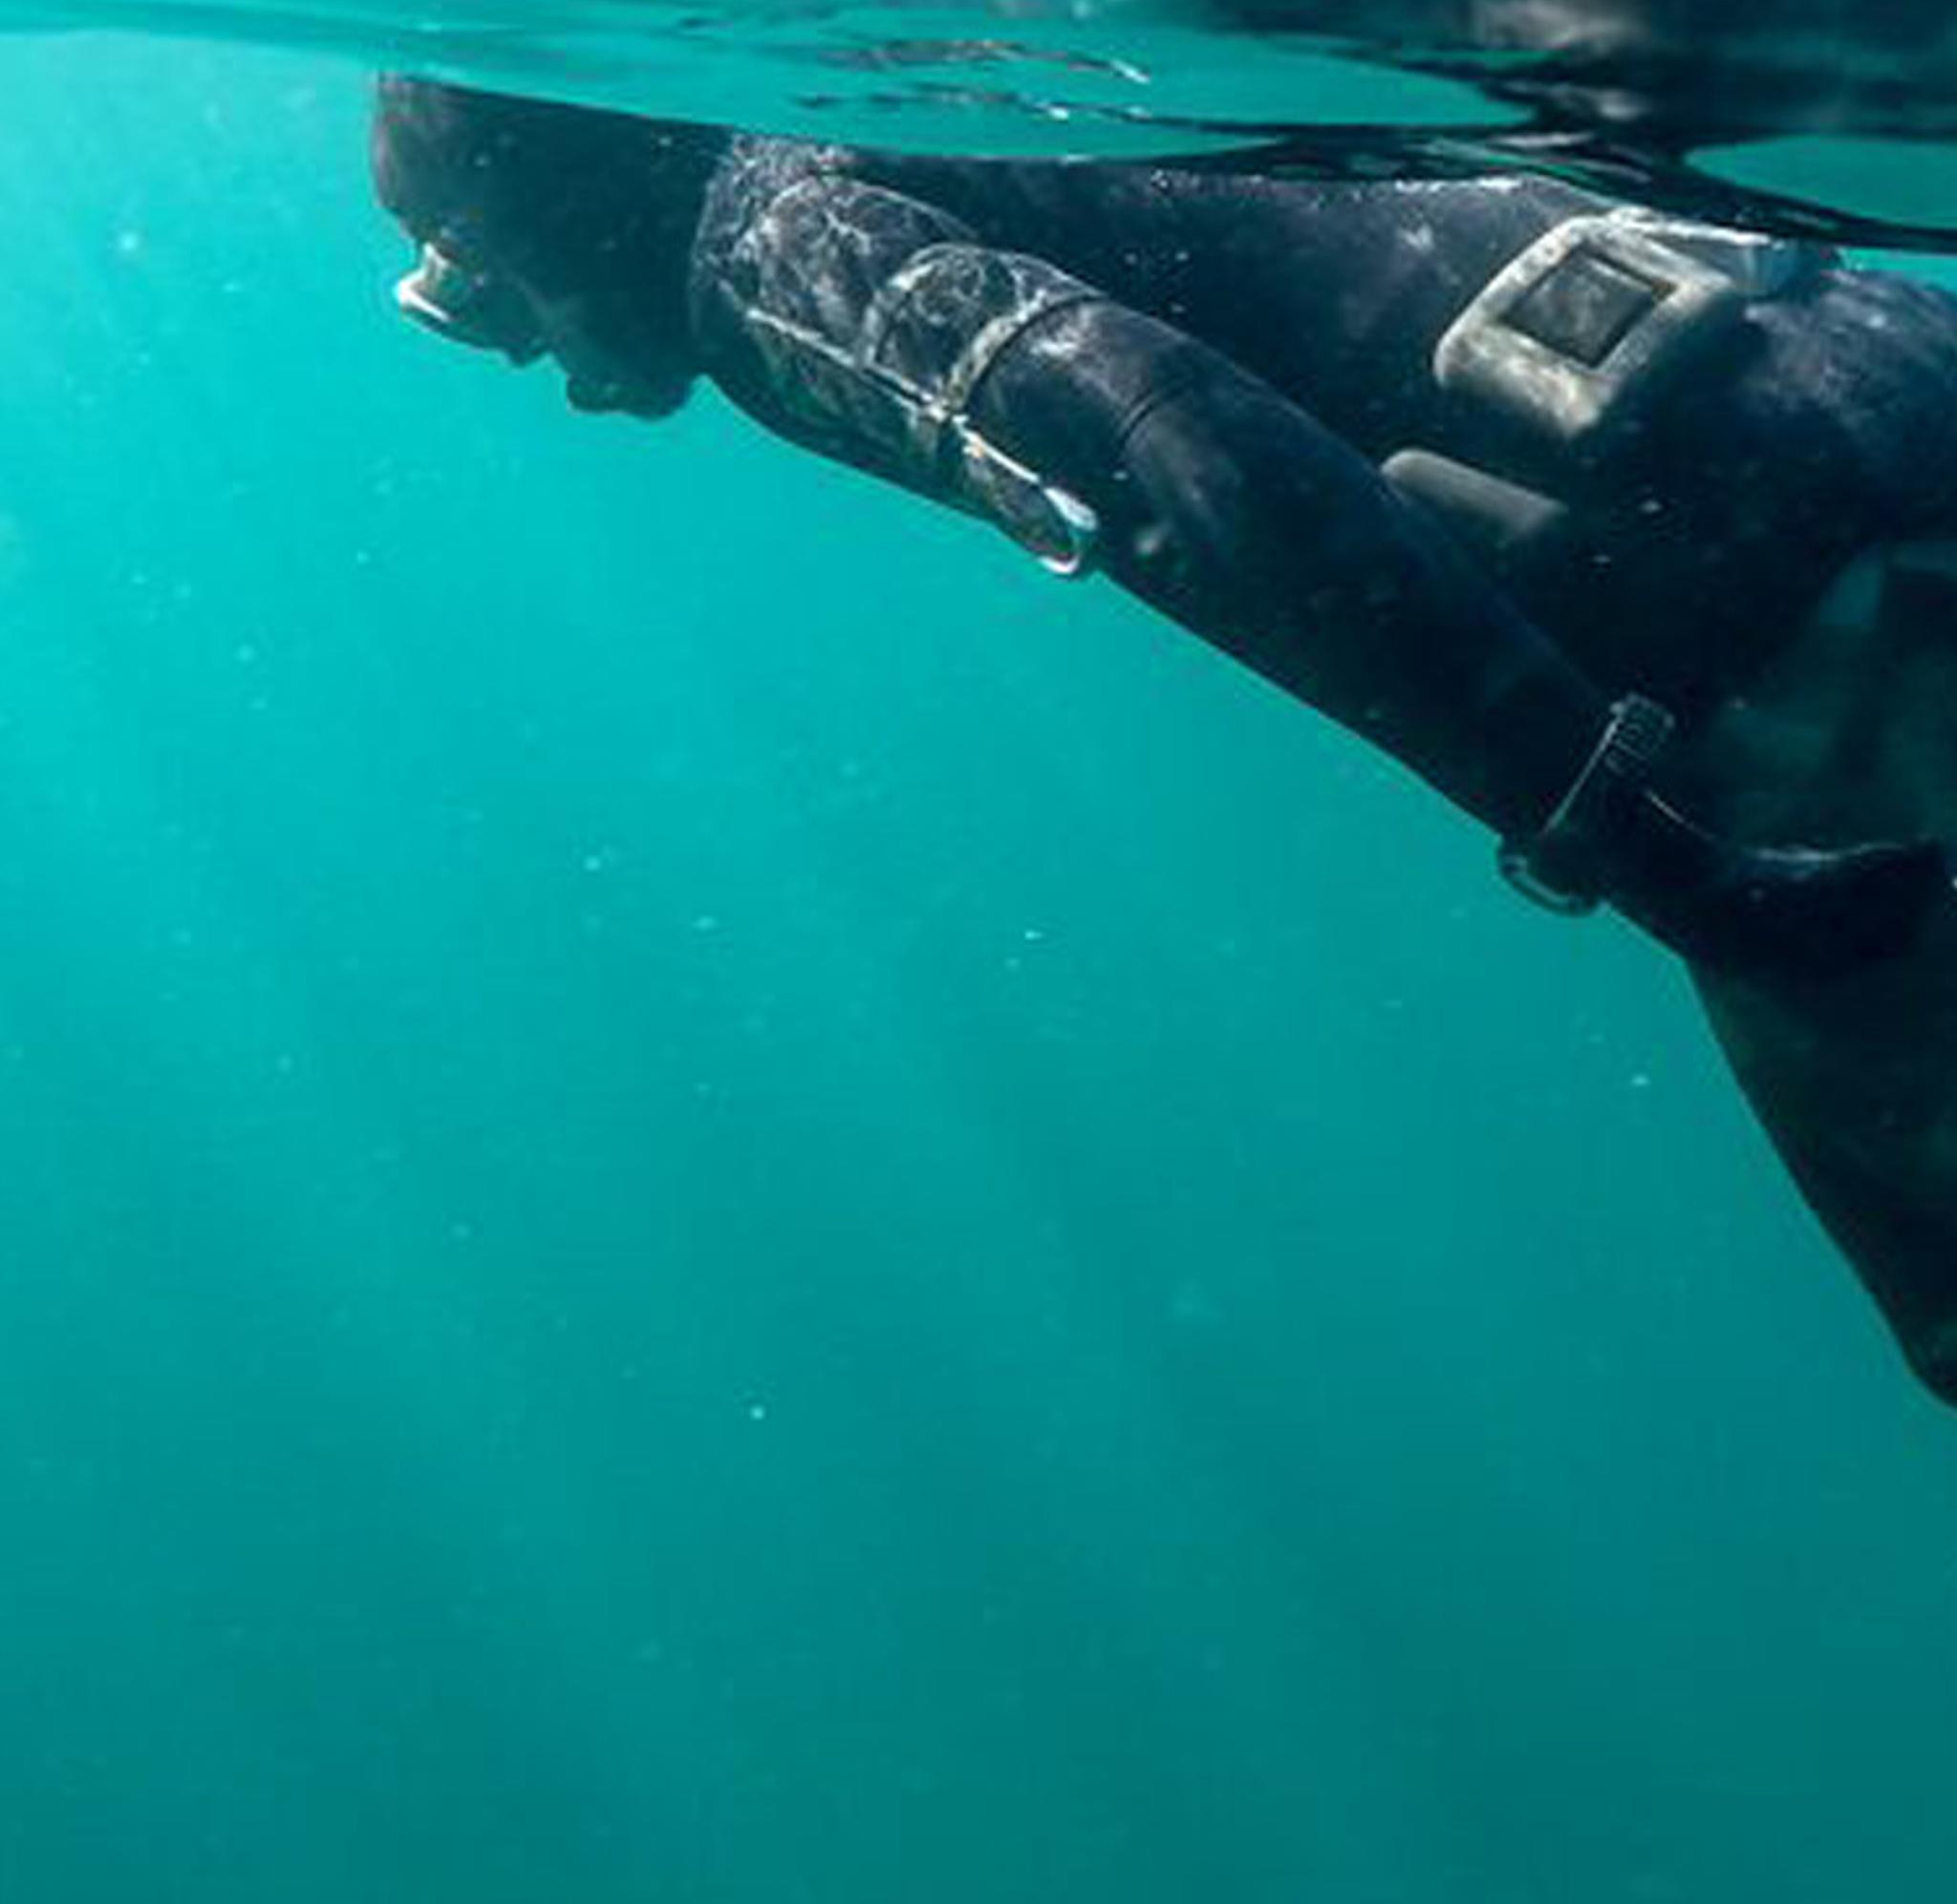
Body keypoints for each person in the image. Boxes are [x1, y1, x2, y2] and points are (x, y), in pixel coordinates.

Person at [372, 74, 1957, 1402]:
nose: (521, 349)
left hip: (1796, 615)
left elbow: (1174, 456)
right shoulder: (928, 60)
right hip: (1893, 362)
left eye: (476, 274)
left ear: (553, 190)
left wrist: (1642, 849)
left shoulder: (773, 246)